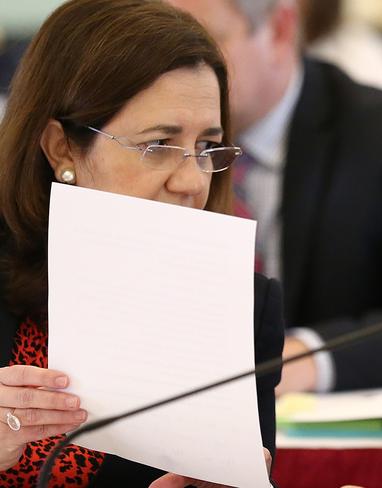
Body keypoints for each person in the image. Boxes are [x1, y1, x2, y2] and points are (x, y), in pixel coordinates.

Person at [0, 0, 283, 486]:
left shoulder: (242, 307)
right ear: (61, 147)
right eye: (157, 146)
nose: (193, 181)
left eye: (206, 147)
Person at [168, 0, 382, 394]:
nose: (170, 68)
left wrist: (294, 360)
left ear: (279, 31)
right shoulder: (144, 142)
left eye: (198, 43)